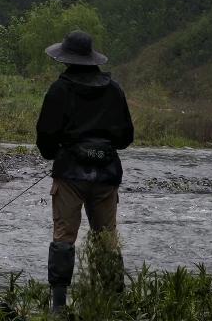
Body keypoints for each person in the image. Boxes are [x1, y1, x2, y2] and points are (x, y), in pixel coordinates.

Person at [35, 30, 134, 314]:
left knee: (64, 236)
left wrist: (60, 153)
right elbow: (126, 137)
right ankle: (115, 304)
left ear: (66, 59)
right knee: (107, 237)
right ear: (92, 59)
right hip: (106, 175)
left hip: (70, 174)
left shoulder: (60, 89)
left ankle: (59, 306)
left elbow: (45, 137)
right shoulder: (113, 89)